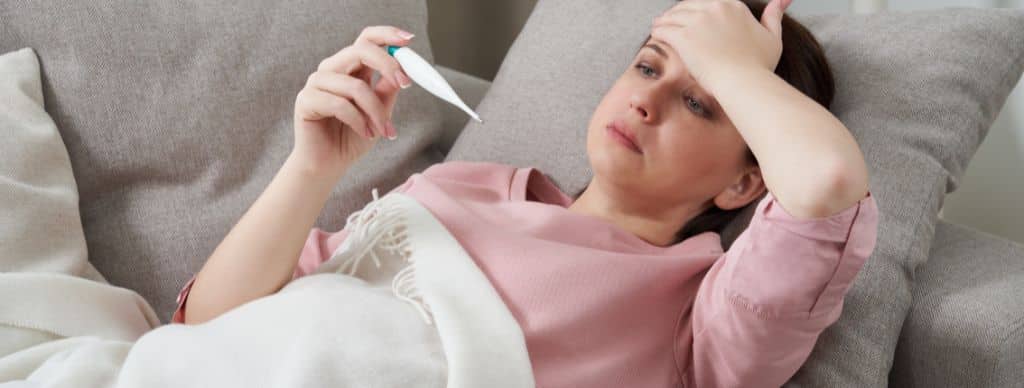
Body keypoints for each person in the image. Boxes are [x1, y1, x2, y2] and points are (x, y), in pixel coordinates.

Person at [172, 0, 879, 386]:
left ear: (745, 181)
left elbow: (827, 188)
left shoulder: (704, 318)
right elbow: (204, 328)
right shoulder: (459, 187)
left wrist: (737, 64)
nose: (644, 102)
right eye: (646, 66)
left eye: (702, 102)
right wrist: (310, 169)